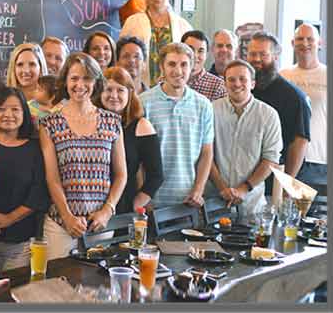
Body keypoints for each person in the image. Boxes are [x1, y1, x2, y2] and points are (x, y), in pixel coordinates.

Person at [40, 53, 127, 259]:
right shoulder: (50, 123)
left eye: (87, 78)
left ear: (96, 82)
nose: (80, 85)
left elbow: (121, 175)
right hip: (61, 224)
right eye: (74, 78)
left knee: (97, 279)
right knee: (58, 278)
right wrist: (67, 216)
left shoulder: (112, 122)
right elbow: (52, 178)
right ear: (65, 81)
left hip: (99, 223)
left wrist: (107, 210)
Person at [0, 87, 50, 271]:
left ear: (24, 113)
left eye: (15, 109)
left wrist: (9, 218)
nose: (8, 115)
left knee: (17, 287)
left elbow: (39, 191)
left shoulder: (35, 148)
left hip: (22, 240)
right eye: (1, 109)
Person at [139, 43, 214, 208]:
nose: (178, 71)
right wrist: (143, 197)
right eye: (172, 64)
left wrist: (198, 190)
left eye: (184, 64)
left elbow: (206, 152)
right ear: (162, 67)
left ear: (192, 66)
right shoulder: (144, 102)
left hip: (188, 200)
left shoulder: (204, 105)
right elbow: (138, 157)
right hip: (152, 201)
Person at [210, 60, 282, 218]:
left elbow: (271, 160)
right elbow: (205, 153)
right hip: (214, 203)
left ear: (253, 84)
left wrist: (243, 189)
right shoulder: (211, 110)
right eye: (231, 79)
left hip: (252, 205)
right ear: (224, 83)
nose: (237, 84)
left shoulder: (269, 115)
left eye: (243, 79)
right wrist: (222, 188)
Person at [248, 32, 311, 187]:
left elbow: (300, 142)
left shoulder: (294, 97)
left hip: (274, 182)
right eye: (252, 54)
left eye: (263, 54)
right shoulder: (245, 89)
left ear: (275, 56)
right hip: (243, 178)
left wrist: (286, 185)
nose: (256, 59)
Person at [97, 67, 163, 213]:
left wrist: (135, 205)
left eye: (120, 90)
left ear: (130, 93)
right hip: (91, 206)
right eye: (108, 90)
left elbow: (156, 176)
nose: (114, 95)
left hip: (124, 207)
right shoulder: (90, 123)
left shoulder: (141, 126)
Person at [120, 0, 193, 87]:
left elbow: (189, 61)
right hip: (139, 87)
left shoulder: (183, 26)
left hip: (173, 89)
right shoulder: (132, 22)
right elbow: (121, 56)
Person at [280, 24, 327, 188]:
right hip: (288, 158)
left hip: (321, 159)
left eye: (310, 39)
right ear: (293, 43)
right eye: (300, 39)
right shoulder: (283, 75)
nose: (305, 43)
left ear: (319, 43)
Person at [181, 30, 227, 101]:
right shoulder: (169, 81)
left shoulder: (219, 87)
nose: (195, 55)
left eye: (201, 51)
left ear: (206, 55)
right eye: (190, 49)